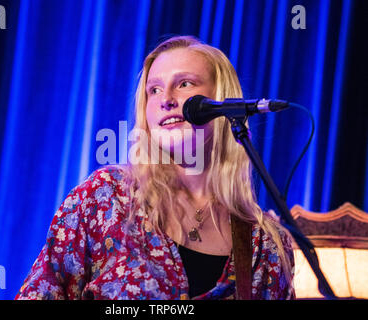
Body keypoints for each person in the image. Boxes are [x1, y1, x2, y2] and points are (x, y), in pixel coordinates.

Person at [15, 35, 295, 300]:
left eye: (185, 84)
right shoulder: (105, 199)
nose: (167, 99)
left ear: (223, 102)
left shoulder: (266, 244)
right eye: (155, 89)